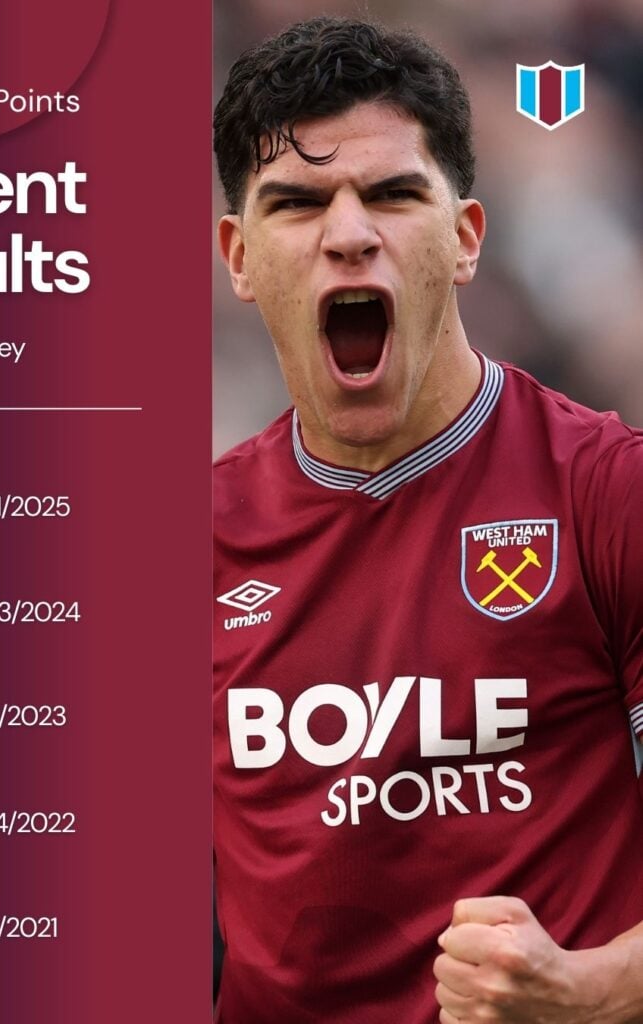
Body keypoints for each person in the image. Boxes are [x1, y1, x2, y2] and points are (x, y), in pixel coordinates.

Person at [212, 16, 643, 1024]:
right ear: (239, 256)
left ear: (464, 239)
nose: (350, 231)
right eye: (299, 202)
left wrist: (591, 990)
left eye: (396, 193)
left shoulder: (606, 494)